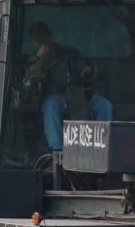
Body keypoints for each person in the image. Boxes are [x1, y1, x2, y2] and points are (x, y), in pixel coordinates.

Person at [25, 21, 113, 152]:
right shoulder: (35, 59)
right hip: (56, 97)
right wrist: (40, 57)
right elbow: (29, 77)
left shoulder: (70, 52)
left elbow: (84, 69)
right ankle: (57, 149)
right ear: (34, 42)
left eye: (44, 35)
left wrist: (87, 71)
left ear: (50, 35)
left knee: (105, 105)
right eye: (39, 38)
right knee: (50, 106)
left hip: (80, 95)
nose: (43, 40)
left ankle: (102, 148)